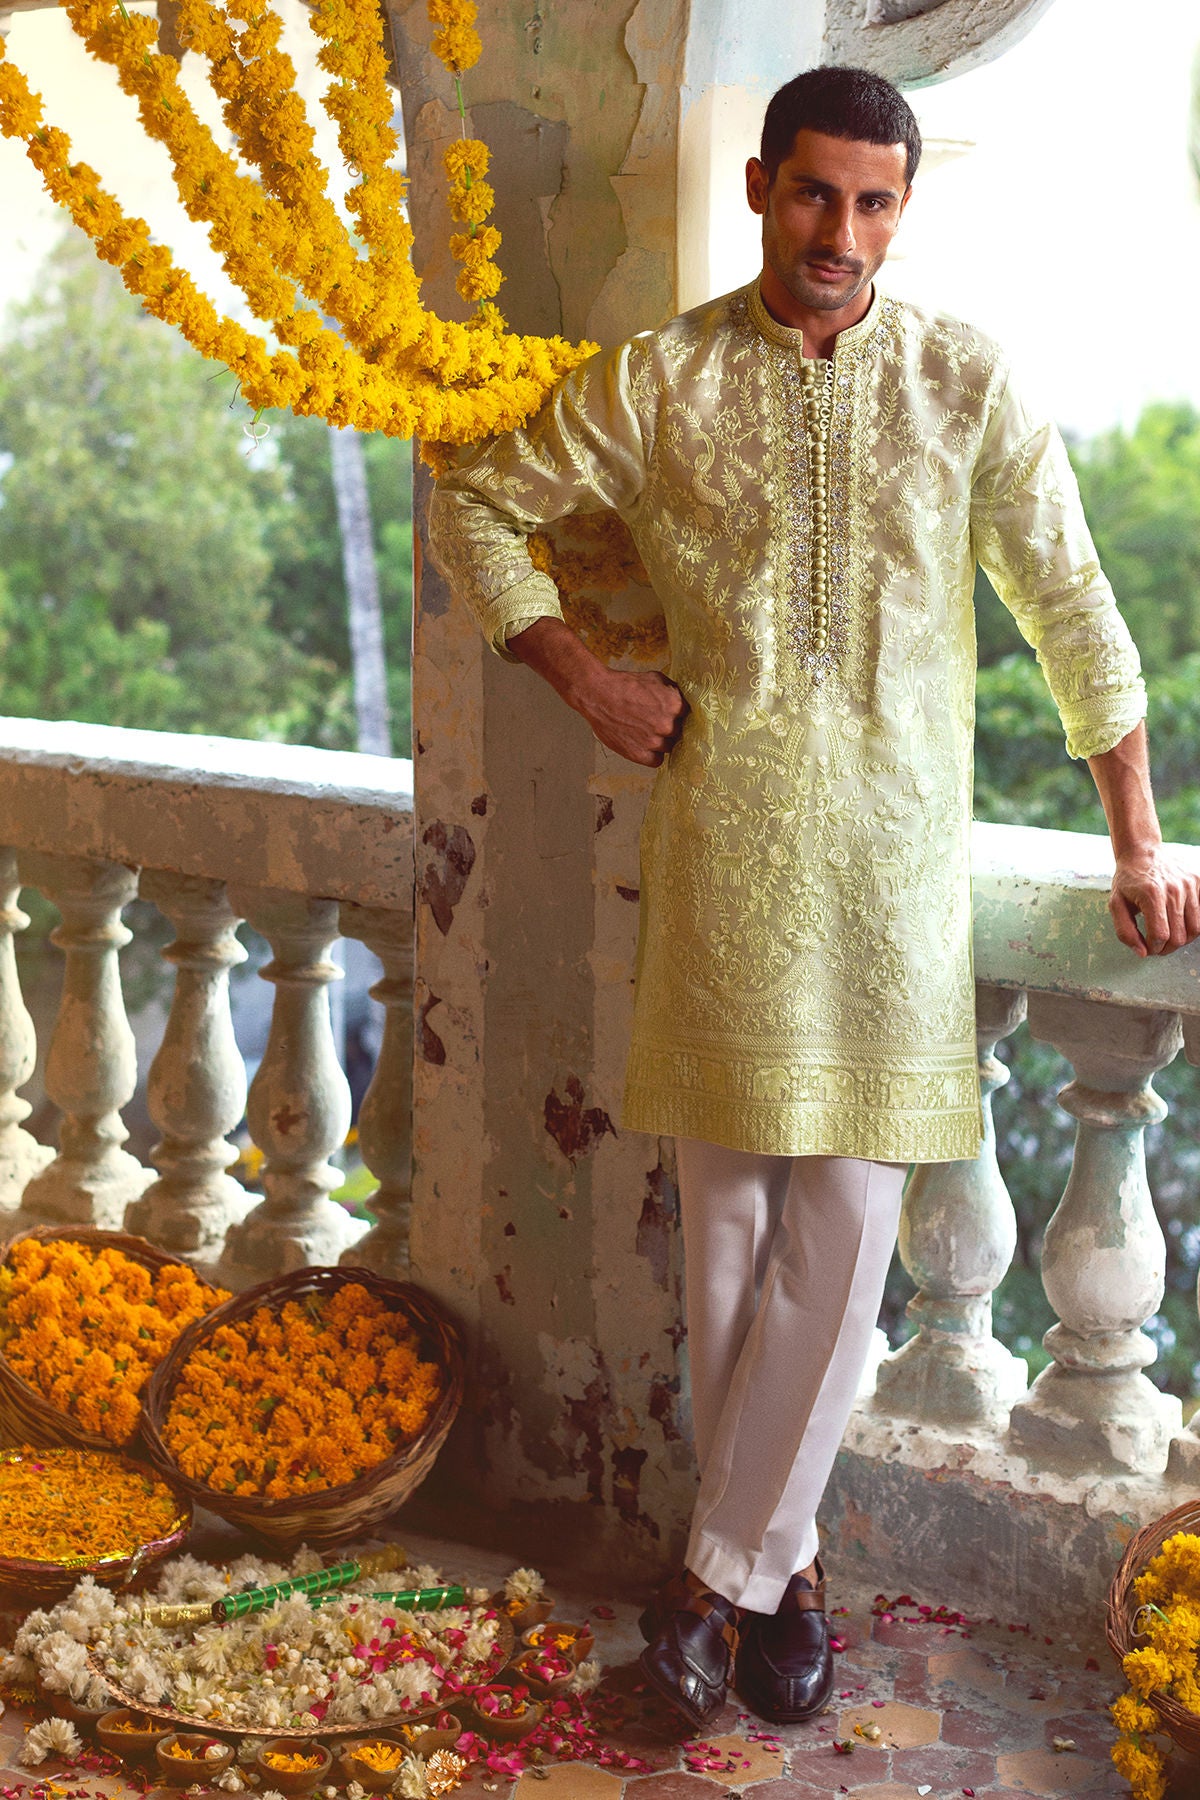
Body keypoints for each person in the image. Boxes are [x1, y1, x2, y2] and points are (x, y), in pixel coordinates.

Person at [428, 65, 1200, 1732]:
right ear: (764, 187)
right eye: (813, 192)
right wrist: (583, 676)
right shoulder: (662, 381)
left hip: (895, 878)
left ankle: (707, 1594)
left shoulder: (964, 380)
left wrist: (1138, 837)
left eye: (873, 201)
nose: (839, 230)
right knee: (724, 1256)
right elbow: (477, 497)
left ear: (902, 212)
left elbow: (1073, 605)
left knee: (844, 1241)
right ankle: (791, 1583)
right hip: (724, 861)